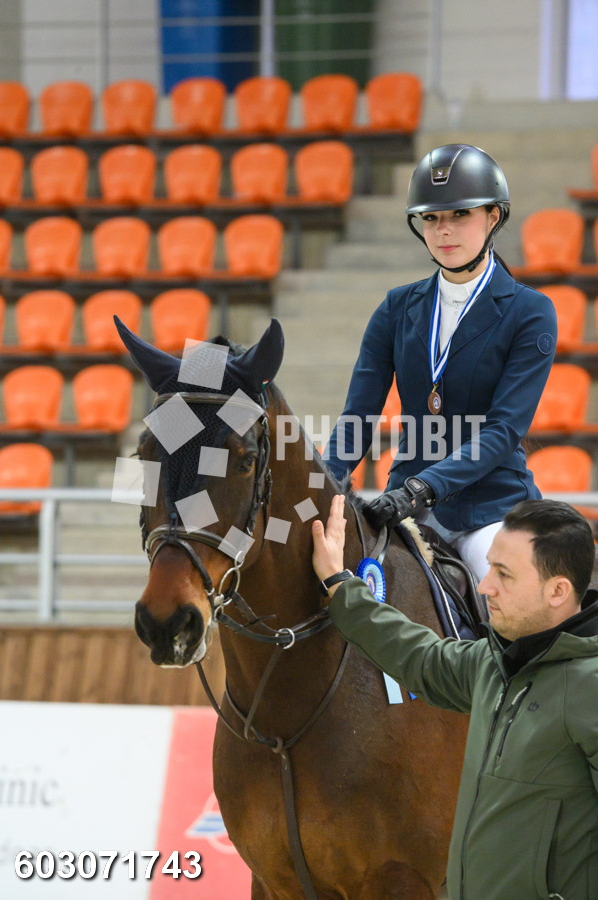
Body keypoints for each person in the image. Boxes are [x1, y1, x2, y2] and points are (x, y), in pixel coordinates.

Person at [312, 493, 598, 900]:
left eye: (504, 574)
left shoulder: (590, 689)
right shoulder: (494, 663)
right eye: (490, 567)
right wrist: (341, 586)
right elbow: (418, 655)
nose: (485, 586)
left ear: (557, 591)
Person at [325, 144, 557, 580]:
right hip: (404, 509)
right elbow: (358, 416)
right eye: (431, 218)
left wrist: (424, 487)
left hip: (489, 508)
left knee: (503, 590)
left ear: (493, 217)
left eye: (460, 215)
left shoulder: (530, 312)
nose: (443, 230)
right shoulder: (396, 308)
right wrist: (322, 484)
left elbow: (504, 429)